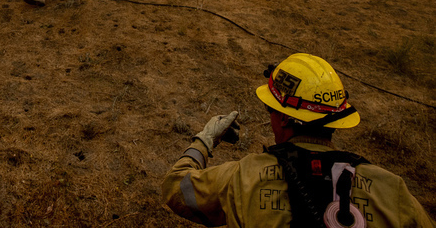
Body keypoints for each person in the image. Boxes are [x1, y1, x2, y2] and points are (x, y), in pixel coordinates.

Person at [162, 53, 434, 228]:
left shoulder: (243, 177)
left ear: (282, 118)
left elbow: (176, 188)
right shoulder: (393, 192)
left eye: (271, 109)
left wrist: (205, 140)